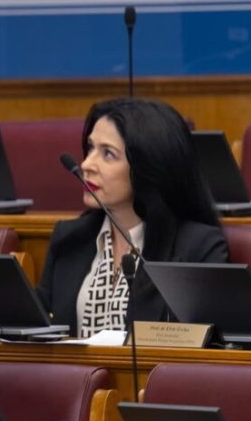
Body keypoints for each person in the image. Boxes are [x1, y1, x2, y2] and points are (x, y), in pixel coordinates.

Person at [36, 98, 228, 337]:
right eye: (90, 148)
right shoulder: (69, 238)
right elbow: (42, 328)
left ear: (148, 165)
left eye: (108, 154)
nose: (86, 164)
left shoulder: (197, 248)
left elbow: (202, 344)